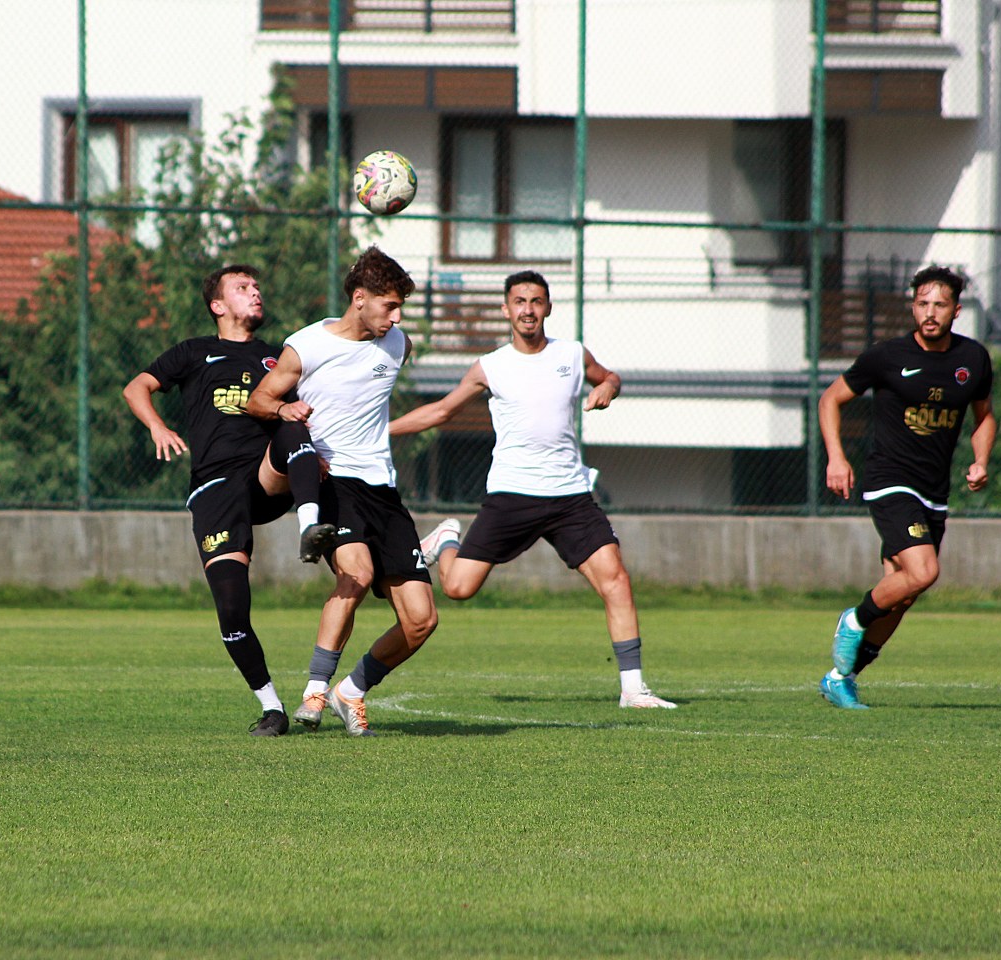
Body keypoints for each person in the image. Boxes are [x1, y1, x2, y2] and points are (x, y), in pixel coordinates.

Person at [388, 270, 676, 710]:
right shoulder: (491, 365)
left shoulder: (572, 355)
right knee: (458, 589)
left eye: (536, 301)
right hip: (512, 494)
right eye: (519, 301)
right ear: (506, 310)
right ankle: (447, 538)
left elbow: (610, 376)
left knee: (616, 580)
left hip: (569, 495)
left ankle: (633, 689)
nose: (528, 310)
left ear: (548, 307)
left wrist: (607, 390)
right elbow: (443, 410)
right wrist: (383, 431)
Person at [122, 264, 335, 737]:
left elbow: (296, 411)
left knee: (293, 427)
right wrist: (158, 426)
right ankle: (273, 709)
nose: (255, 293)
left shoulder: (275, 358)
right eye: (243, 288)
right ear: (218, 306)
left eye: (257, 287)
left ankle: (309, 525)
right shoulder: (195, 352)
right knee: (232, 607)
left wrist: (308, 455)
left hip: (263, 478)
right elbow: (136, 387)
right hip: (216, 489)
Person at [245, 246, 438, 736]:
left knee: (421, 620)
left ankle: (349, 691)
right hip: (335, 482)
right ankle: (313, 690)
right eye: (389, 306)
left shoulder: (397, 344)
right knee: (357, 573)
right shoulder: (307, 346)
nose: (396, 319)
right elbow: (259, 400)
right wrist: (285, 411)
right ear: (359, 299)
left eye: (400, 309)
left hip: (385, 491)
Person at [817, 264, 997, 709]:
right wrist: (837, 457)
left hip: (934, 492)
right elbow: (830, 399)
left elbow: (984, 416)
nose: (930, 312)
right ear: (912, 306)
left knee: (902, 593)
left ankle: (842, 676)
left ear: (956, 310)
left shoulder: (973, 360)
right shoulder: (886, 356)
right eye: (922, 303)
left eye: (940, 304)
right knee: (924, 572)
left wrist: (980, 460)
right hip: (889, 482)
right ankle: (854, 619)